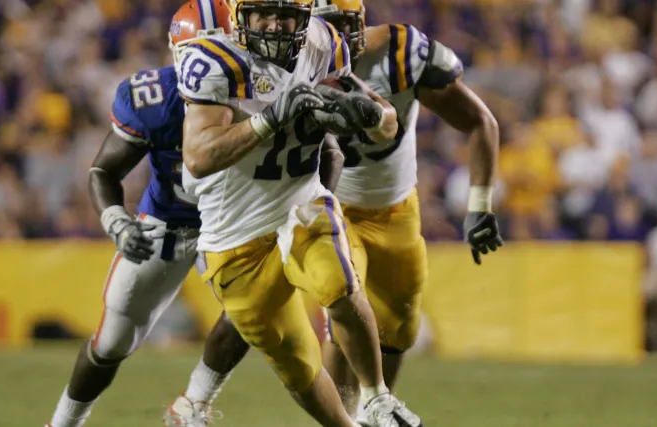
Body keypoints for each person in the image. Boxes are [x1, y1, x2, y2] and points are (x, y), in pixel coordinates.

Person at [168, 1, 503, 425]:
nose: (274, 25)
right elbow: (198, 159)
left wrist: (364, 113)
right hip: (235, 231)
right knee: (296, 363)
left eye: (285, 13)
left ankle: (378, 399)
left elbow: (382, 122)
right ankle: (203, 400)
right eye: (261, 14)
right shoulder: (214, 63)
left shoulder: (325, 45)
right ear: (238, 20)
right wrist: (271, 120)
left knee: (340, 287)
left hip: (302, 204)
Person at [42, 2, 327, 426]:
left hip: (242, 223)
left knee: (256, 304)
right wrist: (115, 220)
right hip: (172, 226)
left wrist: (320, 204)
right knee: (113, 340)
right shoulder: (155, 99)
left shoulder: (273, 83)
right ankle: (62, 423)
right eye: (204, 52)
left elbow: (330, 151)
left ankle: (193, 404)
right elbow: (104, 170)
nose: (214, 65)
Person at [313, 0, 502, 421]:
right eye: (331, 26)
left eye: (350, 24)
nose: (343, 36)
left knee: (399, 326)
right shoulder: (290, 66)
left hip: (395, 208)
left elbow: (480, 122)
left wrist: (479, 205)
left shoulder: (401, 53)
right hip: (332, 204)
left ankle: (371, 413)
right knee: (342, 305)